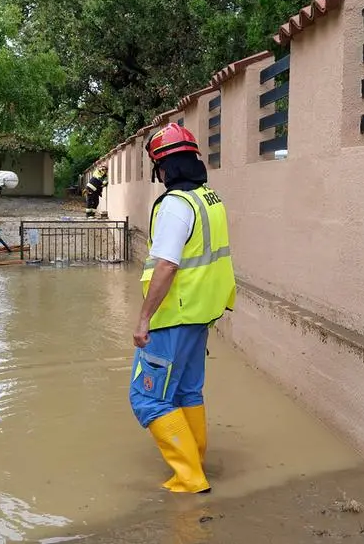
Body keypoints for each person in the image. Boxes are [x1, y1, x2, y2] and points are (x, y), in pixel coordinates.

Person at [129, 122, 236, 494]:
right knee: (187, 392)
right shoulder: (210, 199)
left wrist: (144, 318)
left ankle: (190, 478)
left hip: (173, 316)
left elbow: (167, 265)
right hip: (201, 315)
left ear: (165, 168)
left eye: (158, 168)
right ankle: (196, 463)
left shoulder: (175, 205)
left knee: (147, 398)